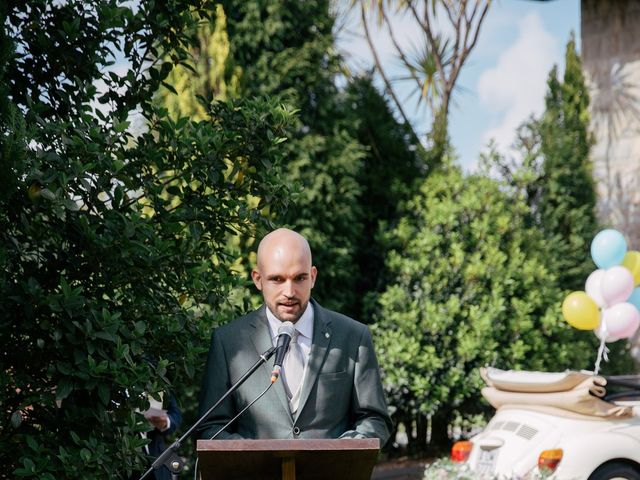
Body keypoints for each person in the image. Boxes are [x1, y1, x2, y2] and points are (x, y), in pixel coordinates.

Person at [197, 228, 392, 445]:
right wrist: (254, 457)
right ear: (258, 279)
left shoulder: (353, 337)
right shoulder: (229, 342)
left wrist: (340, 452)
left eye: (299, 278)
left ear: (313, 277)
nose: (289, 292)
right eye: (277, 279)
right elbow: (211, 428)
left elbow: (375, 419)